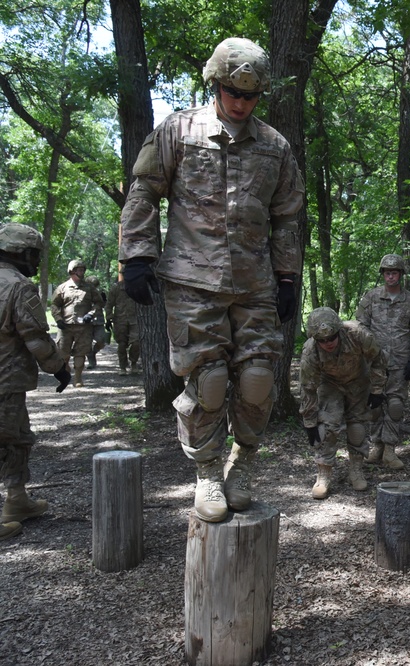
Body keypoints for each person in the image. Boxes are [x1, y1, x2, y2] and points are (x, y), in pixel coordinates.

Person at [117, 37, 305, 522]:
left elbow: (286, 216)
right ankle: (206, 474)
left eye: (250, 95)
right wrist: (136, 255)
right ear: (216, 85)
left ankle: (241, 466)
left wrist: (287, 276)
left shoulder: (275, 146)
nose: (240, 103)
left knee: (260, 379)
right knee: (210, 381)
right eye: (231, 91)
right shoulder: (179, 130)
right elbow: (143, 192)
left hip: (255, 284)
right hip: (191, 281)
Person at [0, 224, 71, 540]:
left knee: (18, 438)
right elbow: (37, 339)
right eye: (35, 254)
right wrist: (59, 368)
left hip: (8, 385)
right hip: (5, 381)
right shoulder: (19, 287)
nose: (38, 261)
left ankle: (17, 500)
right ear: (20, 253)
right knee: (6, 438)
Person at [299, 307, 387, 497]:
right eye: (322, 340)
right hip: (328, 383)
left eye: (331, 338)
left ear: (339, 331)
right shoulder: (310, 352)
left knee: (357, 427)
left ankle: (356, 470)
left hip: (358, 380)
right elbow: (308, 388)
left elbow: (378, 358)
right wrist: (309, 421)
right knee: (326, 427)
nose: (328, 343)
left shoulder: (358, 334)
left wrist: (377, 390)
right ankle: (323, 473)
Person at [356, 253, 410, 470]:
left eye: (394, 272)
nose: (390, 276)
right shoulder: (371, 297)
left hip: (400, 361)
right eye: (387, 272)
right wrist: (366, 353)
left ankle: (389, 449)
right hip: (374, 362)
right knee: (374, 405)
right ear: (383, 274)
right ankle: (375, 445)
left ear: (401, 275)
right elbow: (360, 327)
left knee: (395, 405)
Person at [50, 259, 100, 388]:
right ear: (71, 271)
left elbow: (99, 303)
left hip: (84, 327)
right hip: (65, 326)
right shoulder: (62, 288)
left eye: (83, 270)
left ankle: (78, 377)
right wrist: (58, 319)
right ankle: (65, 376)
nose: (81, 272)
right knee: (63, 353)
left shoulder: (90, 288)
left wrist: (91, 314)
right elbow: (54, 305)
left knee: (80, 353)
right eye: (79, 269)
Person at [106, 275, 142, 376]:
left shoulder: (137, 287)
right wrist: (108, 318)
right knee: (122, 344)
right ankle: (122, 367)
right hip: (120, 320)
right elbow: (109, 304)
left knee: (136, 342)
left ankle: (133, 363)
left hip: (135, 319)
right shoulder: (116, 288)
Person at [85, 275, 108, 369]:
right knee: (87, 342)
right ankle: (91, 359)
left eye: (95, 285)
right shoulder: (83, 293)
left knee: (101, 340)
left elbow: (104, 304)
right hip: (87, 321)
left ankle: (94, 352)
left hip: (98, 320)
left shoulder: (101, 294)